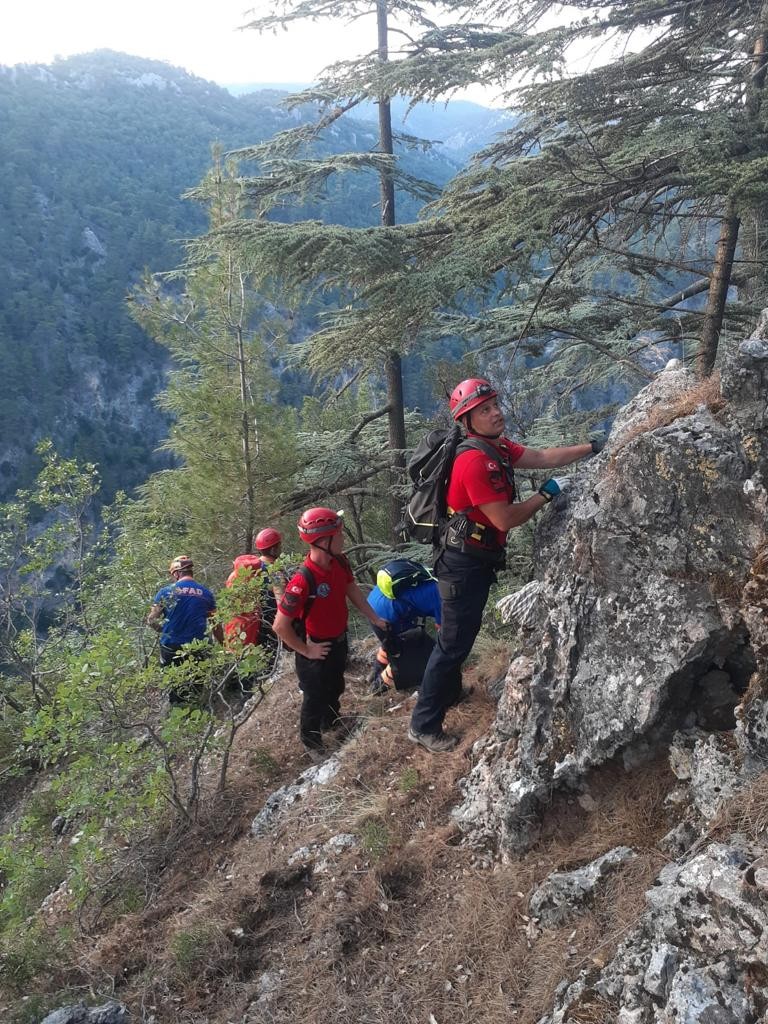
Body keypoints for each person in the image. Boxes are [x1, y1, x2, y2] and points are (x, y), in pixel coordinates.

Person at [408, 378, 603, 753]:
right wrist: (546, 494)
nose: (496, 412)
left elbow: (543, 457)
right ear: (468, 420)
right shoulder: (475, 462)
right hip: (462, 564)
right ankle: (423, 724)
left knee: (457, 637)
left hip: (471, 559)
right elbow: (504, 519)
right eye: (485, 409)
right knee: (452, 643)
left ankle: (447, 693)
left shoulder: (494, 447)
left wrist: (592, 447)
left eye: (495, 404)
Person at [271, 508, 388, 758]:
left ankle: (331, 722)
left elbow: (351, 589)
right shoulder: (302, 581)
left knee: (335, 686)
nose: (343, 539)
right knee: (314, 697)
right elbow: (280, 625)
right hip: (315, 648)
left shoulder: (339, 562)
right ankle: (311, 741)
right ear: (324, 541)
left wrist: (374, 617)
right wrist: (306, 650)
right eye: (339, 535)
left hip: (338, 640)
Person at [147, 556, 218, 704]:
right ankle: (197, 714)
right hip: (198, 646)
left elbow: (151, 620)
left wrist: (163, 630)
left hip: (171, 646)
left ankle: (177, 714)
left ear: (177, 573)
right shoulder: (206, 594)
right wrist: (224, 644)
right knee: (196, 686)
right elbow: (215, 625)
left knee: (175, 687)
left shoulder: (165, 592)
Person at [224, 528, 286, 692]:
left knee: (248, 672)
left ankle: (245, 698)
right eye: (279, 546)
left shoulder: (239, 572)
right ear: (274, 549)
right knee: (270, 668)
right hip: (268, 628)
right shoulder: (274, 571)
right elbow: (283, 603)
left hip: (242, 630)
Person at [366, 559, 442, 695]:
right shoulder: (445, 596)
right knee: (404, 656)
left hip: (374, 602)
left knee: (390, 642)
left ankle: (374, 673)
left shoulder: (436, 578)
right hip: (387, 616)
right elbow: (444, 632)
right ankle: (377, 688)